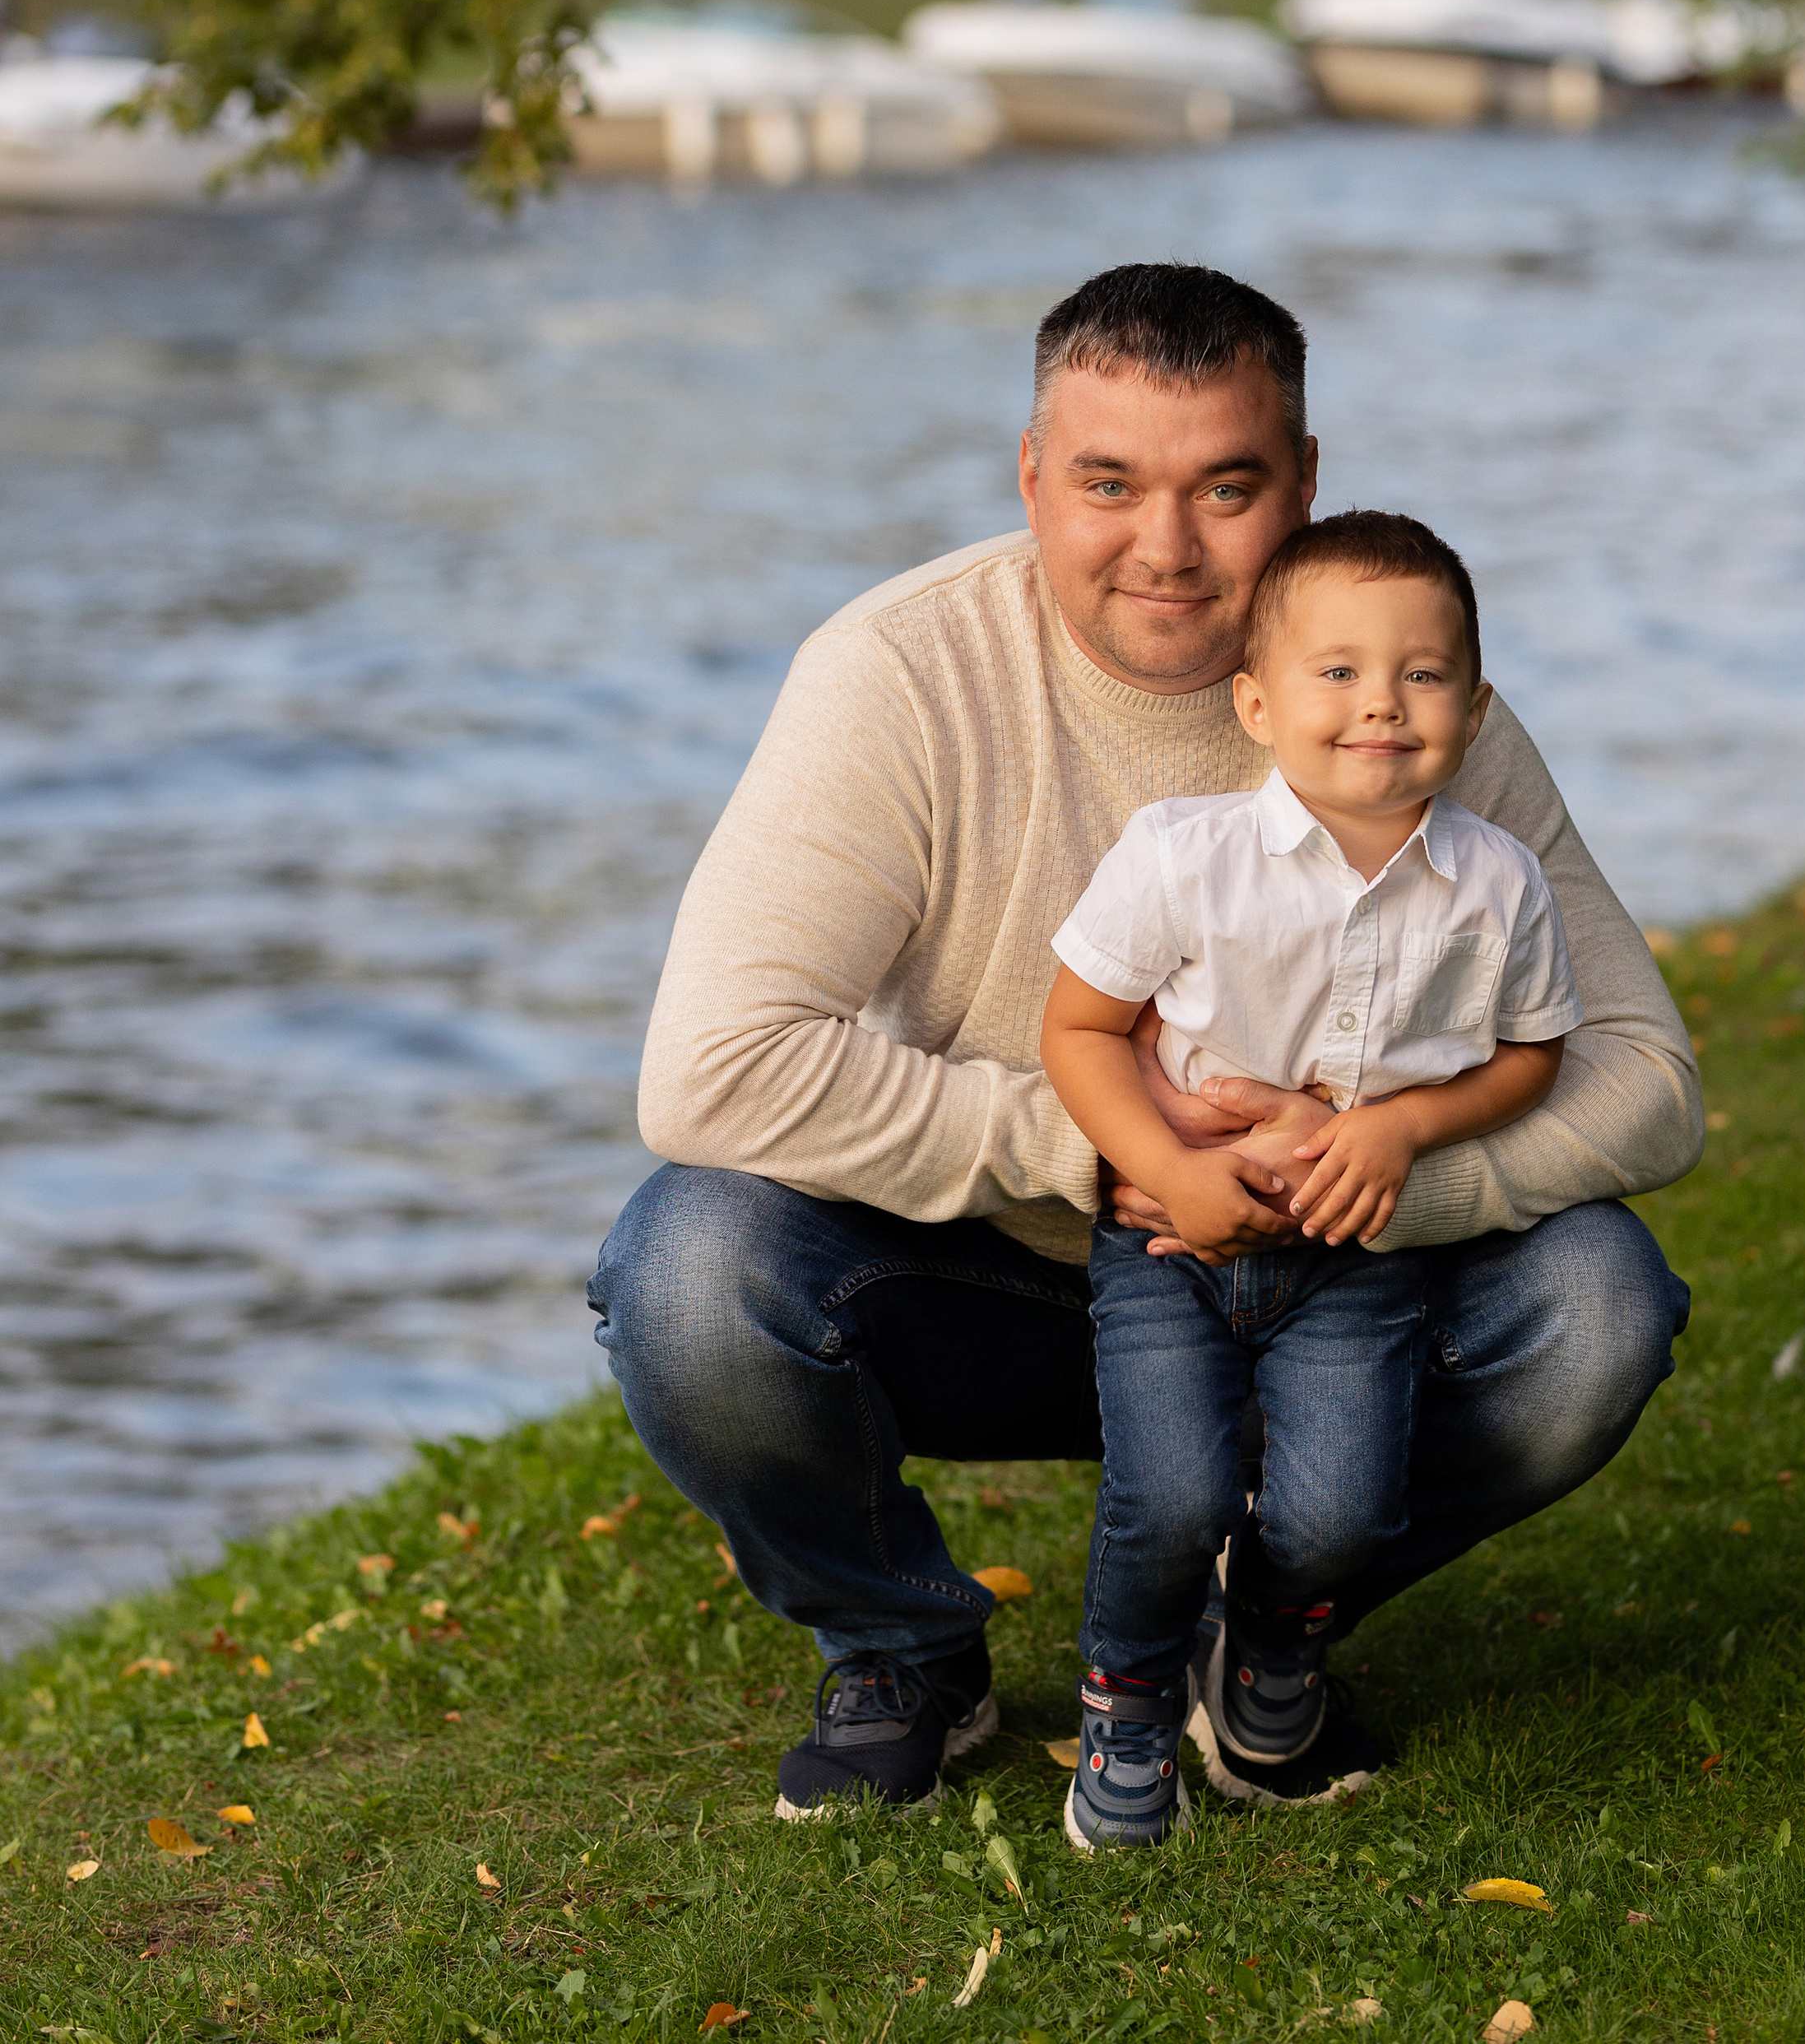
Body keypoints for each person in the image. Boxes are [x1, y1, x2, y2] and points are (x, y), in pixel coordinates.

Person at [588, 262, 1701, 1821]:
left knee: (1596, 1307)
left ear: (1306, 484)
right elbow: (710, 1066)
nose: (1165, 549)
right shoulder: (899, 673)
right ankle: (905, 1647)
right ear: (1034, 476)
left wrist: (1342, 1174)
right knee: (689, 1274)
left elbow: (1649, 1085)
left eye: (1228, 488)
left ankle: (1264, 1625)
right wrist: (1127, 1149)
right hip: (976, 1275)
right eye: (1108, 483)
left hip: (1320, 1287)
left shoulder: (1396, 699)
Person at [1039, 509, 1580, 1849]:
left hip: (1357, 1262)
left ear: (1477, 700)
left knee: (1344, 1508)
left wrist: (1403, 1130)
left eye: (1423, 673)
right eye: (1336, 673)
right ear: (1259, 701)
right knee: (1171, 1494)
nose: (1379, 705)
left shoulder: (1498, 883)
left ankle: (1271, 1644)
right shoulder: (1183, 852)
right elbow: (1077, 1029)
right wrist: (1167, 1166)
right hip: (1172, 1248)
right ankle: (1126, 1704)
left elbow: (1533, 1058)